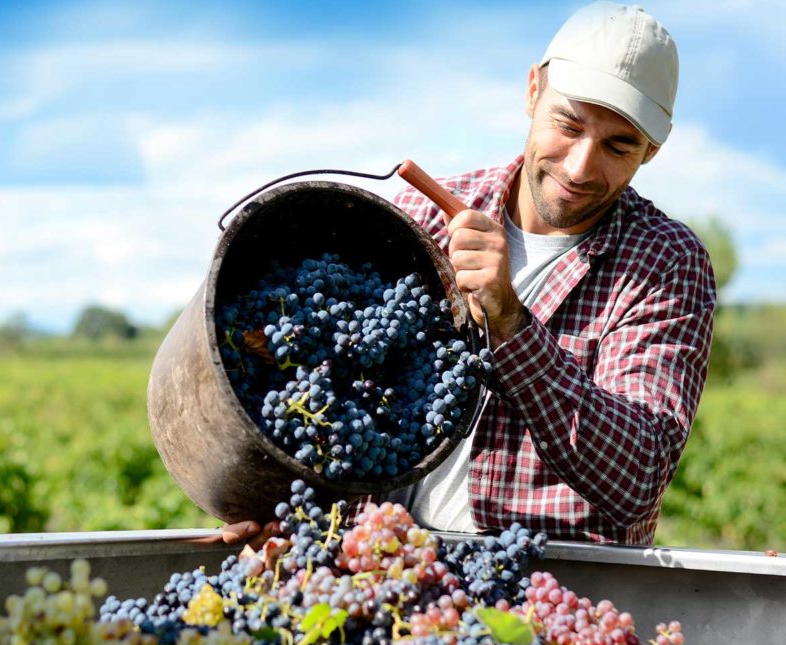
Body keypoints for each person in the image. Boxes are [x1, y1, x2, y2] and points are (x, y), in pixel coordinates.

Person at [223, 1, 714, 549]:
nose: (580, 167)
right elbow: (336, 387)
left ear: (652, 150)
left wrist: (510, 321)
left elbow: (637, 475)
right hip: (384, 566)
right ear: (533, 91)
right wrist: (278, 501)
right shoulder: (424, 217)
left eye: (618, 146)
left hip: (547, 580)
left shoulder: (663, 263)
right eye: (568, 125)